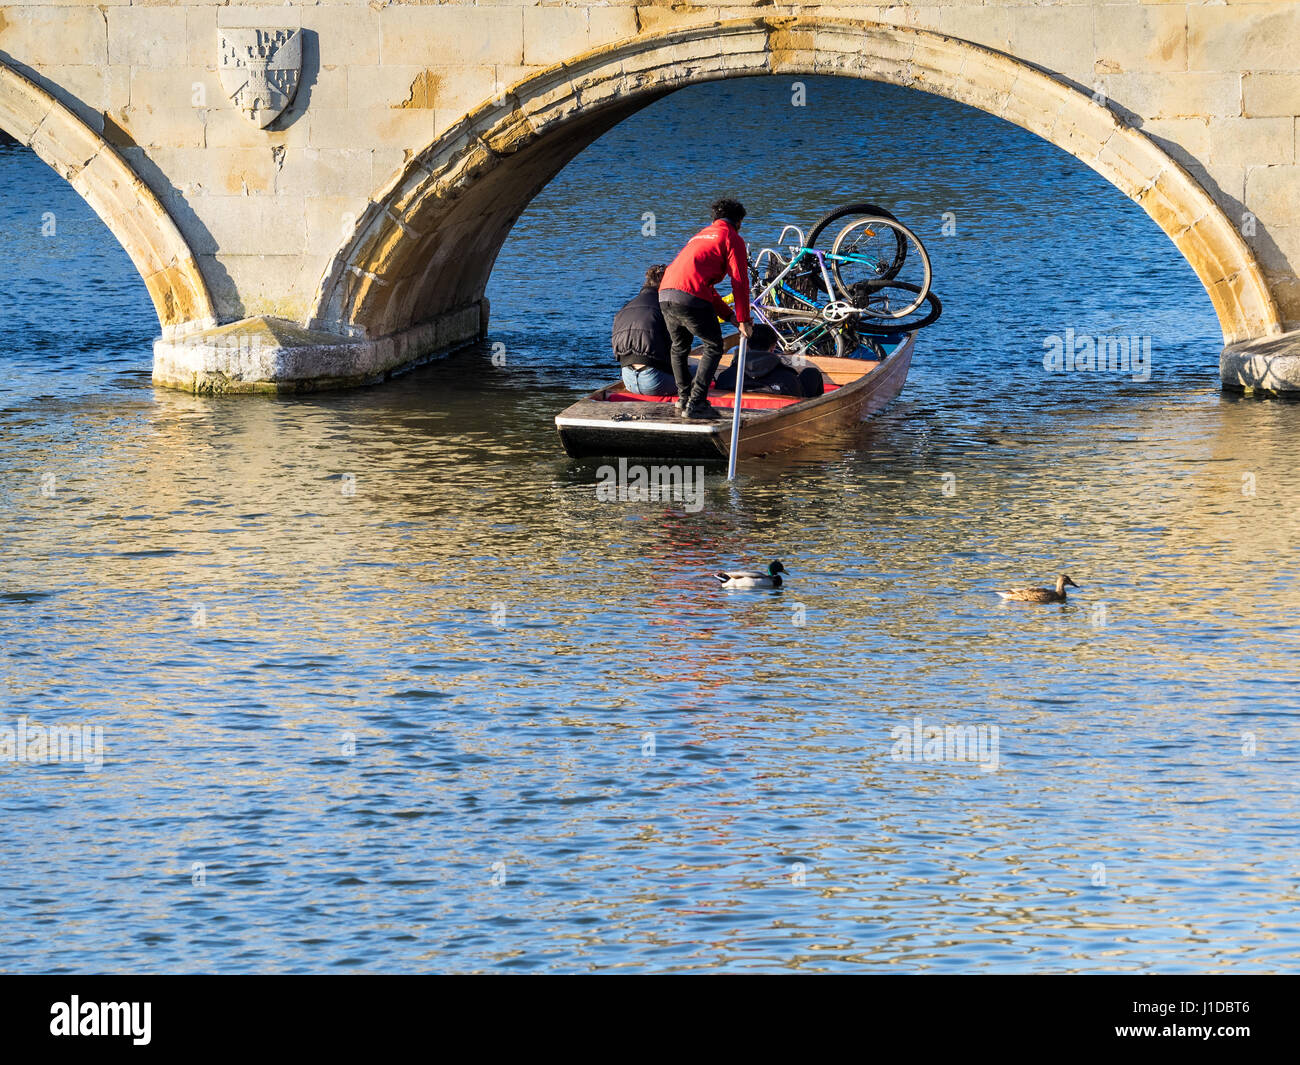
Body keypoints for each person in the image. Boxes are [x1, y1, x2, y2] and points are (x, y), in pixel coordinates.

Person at [659, 198, 754, 420]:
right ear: (738, 222)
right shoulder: (732, 237)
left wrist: (730, 315)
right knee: (713, 345)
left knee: (679, 347)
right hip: (690, 295)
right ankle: (697, 403)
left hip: (665, 293)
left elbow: (705, 288)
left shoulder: (699, 236)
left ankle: (683, 400)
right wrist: (744, 319)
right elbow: (739, 281)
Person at [611, 264, 676, 395]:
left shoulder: (624, 309)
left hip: (628, 380)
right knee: (699, 372)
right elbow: (676, 349)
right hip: (655, 381)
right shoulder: (665, 308)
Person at [714, 324, 825, 399]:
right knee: (811, 373)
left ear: (746, 346)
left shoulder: (726, 376)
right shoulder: (788, 377)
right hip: (782, 406)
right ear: (773, 348)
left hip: (737, 406)